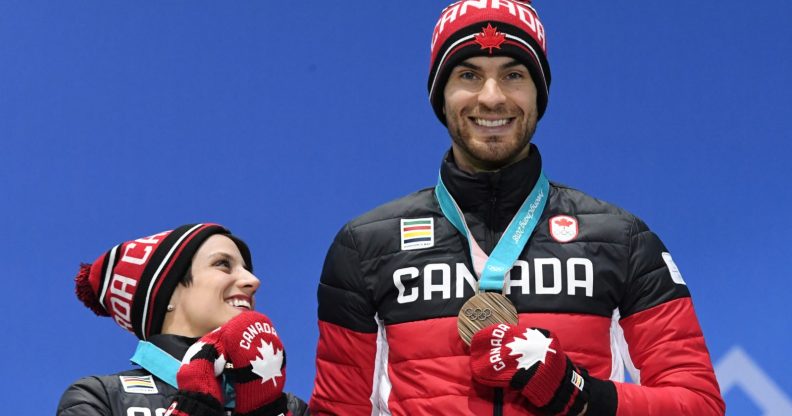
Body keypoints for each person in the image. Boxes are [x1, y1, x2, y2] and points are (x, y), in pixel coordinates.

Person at [310, 1, 725, 415]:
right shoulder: (364, 247)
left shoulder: (622, 240)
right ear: (440, 96)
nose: (491, 98)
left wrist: (578, 394)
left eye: (513, 75)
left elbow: (699, 405)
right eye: (468, 74)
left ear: (538, 93)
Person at [58, 223, 309, 416]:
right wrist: (193, 408)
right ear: (168, 292)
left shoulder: (290, 407)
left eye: (247, 270)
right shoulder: (99, 397)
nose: (253, 282)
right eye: (223, 264)